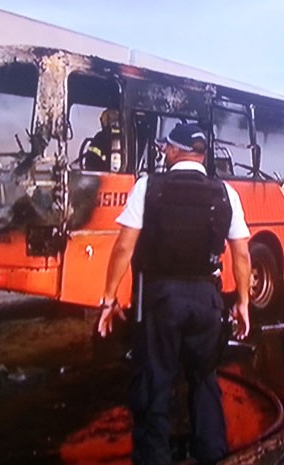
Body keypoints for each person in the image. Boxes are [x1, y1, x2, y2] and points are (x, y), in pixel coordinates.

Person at [97, 122, 251, 465]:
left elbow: (124, 246)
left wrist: (109, 299)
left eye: (166, 147)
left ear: (173, 150)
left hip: (161, 300)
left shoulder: (148, 186)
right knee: (205, 380)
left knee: (154, 383)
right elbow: (241, 253)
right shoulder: (226, 192)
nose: (164, 152)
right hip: (208, 301)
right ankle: (212, 455)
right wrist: (242, 302)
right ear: (202, 154)